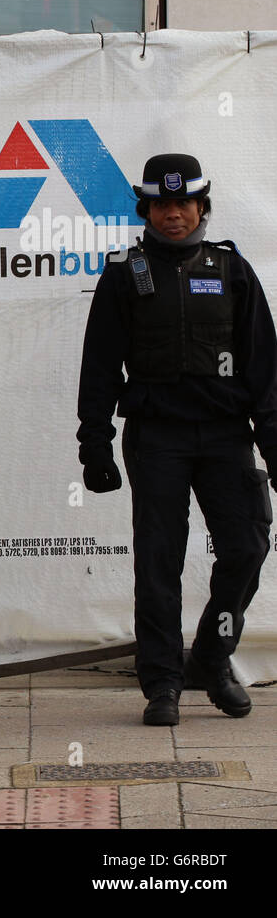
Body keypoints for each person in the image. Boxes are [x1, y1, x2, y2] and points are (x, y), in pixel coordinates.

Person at [78, 153, 276, 726]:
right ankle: (162, 683)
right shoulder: (124, 273)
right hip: (156, 439)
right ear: (147, 209)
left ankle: (212, 660)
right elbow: (99, 369)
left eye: (183, 203)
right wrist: (94, 443)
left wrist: (274, 446)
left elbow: (265, 371)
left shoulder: (233, 270)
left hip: (225, 438)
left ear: (201, 207)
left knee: (246, 548)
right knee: (158, 563)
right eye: (162, 205)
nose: (173, 214)